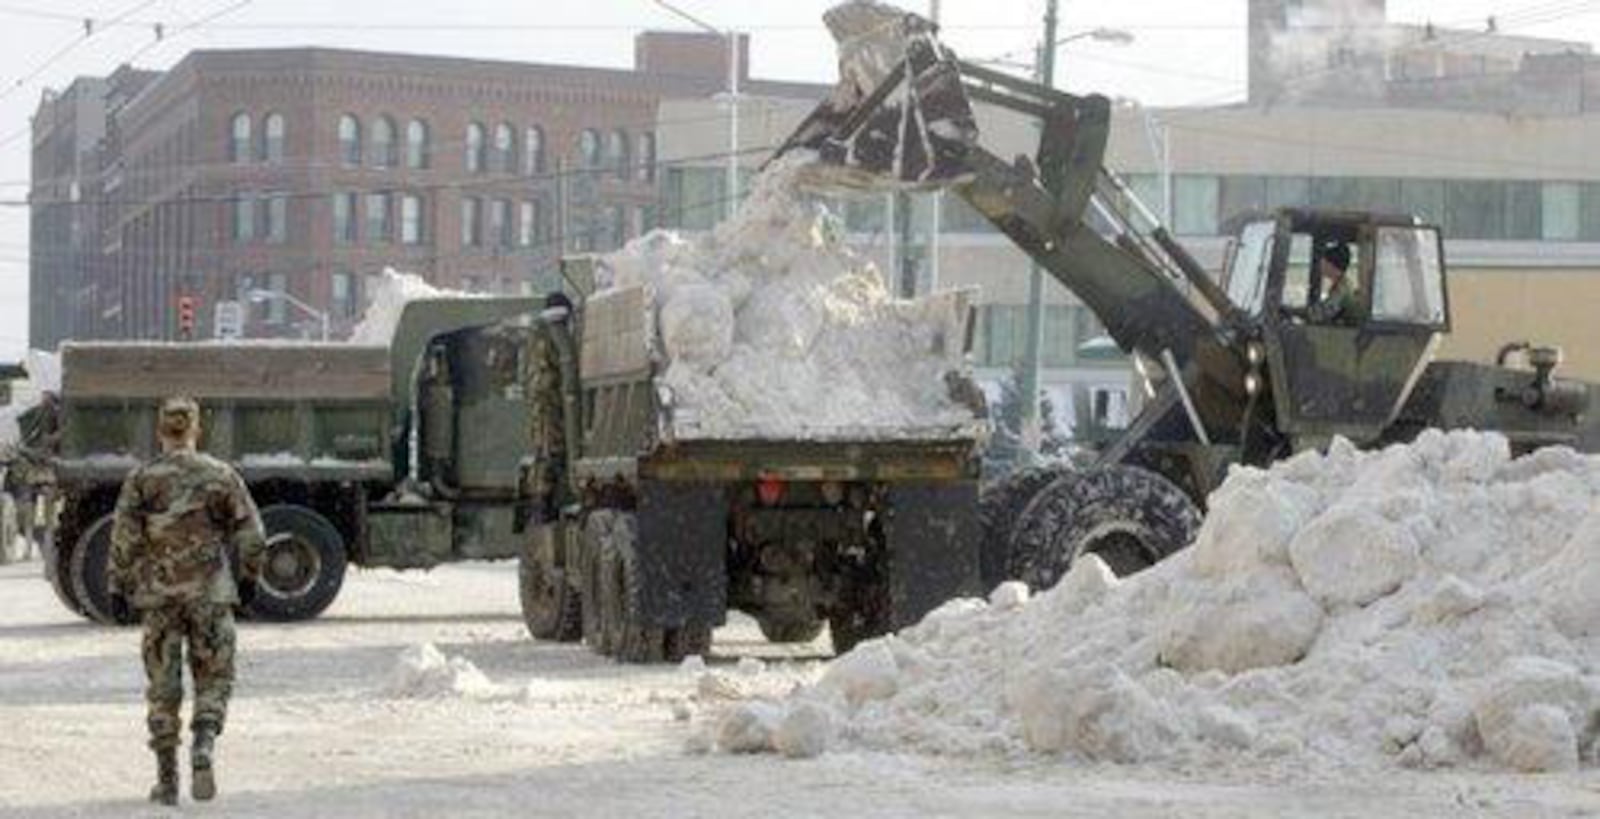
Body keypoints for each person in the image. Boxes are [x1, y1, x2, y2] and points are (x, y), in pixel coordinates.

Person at [107, 396, 265, 806]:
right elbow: (252, 533)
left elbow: (124, 538)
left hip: (159, 598)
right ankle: (204, 747)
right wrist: (248, 578)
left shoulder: (143, 478)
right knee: (213, 677)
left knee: (163, 686)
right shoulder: (220, 475)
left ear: (162, 431)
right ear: (196, 430)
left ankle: (166, 780)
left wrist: (117, 587)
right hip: (211, 594)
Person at [1307, 241, 1358, 324]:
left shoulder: (1342, 289)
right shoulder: (1341, 284)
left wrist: (1305, 313)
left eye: (1324, 262)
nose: (1321, 265)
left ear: (1331, 265)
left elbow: (1321, 314)